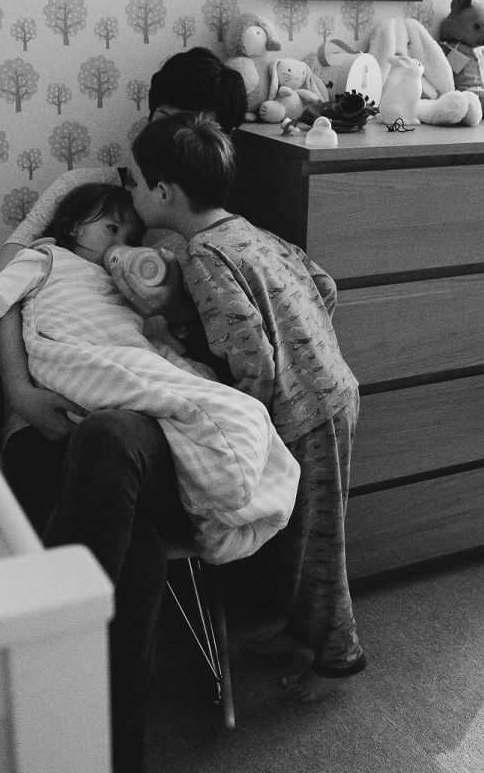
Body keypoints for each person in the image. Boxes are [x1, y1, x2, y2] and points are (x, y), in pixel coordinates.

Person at [0, 47, 248, 773]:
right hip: (52, 418)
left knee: (114, 436)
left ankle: (49, 704)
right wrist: (19, 387)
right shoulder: (79, 193)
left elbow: (195, 345)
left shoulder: (199, 227)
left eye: (198, 131)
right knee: (140, 558)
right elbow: (5, 278)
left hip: (143, 427)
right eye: (169, 123)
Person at [125, 111, 366, 703]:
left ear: (163, 192)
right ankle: (299, 629)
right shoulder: (248, 232)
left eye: (134, 183)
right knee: (303, 535)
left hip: (304, 414)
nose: (131, 194)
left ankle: (339, 657)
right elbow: (324, 284)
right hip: (331, 393)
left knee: (317, 544)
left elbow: (250, 353)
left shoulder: (202, 256)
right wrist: (310, 347)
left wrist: (250, 422)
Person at [0, 183, 297, 566]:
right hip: (76, 355)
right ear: (74, 228)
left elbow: (144, 336)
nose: (120, 241)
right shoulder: (46, 258)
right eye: (111, 229)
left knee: (197, 387)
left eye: (130, 236)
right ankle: (222, 470)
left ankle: (223, 468)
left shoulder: (124, 283)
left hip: (126, 361)